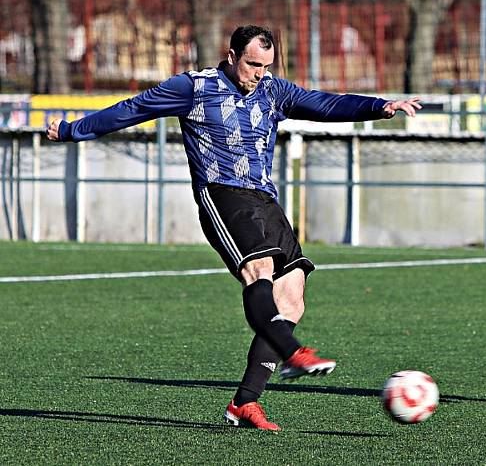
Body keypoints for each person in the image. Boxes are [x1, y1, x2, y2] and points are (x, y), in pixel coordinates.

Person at [46, 24, 422, 431]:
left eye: (265, 65)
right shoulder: (193, 87)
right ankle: (291, 352)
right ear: (231, 55)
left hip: (264, 198)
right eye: (252, 64)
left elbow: (324, 103)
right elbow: (132, 109)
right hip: (221, 194)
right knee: (256, 271)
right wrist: (72, 130)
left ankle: (245, 403)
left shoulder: (273, 91)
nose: (259, 73)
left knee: (293, 294)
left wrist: (378, 106)